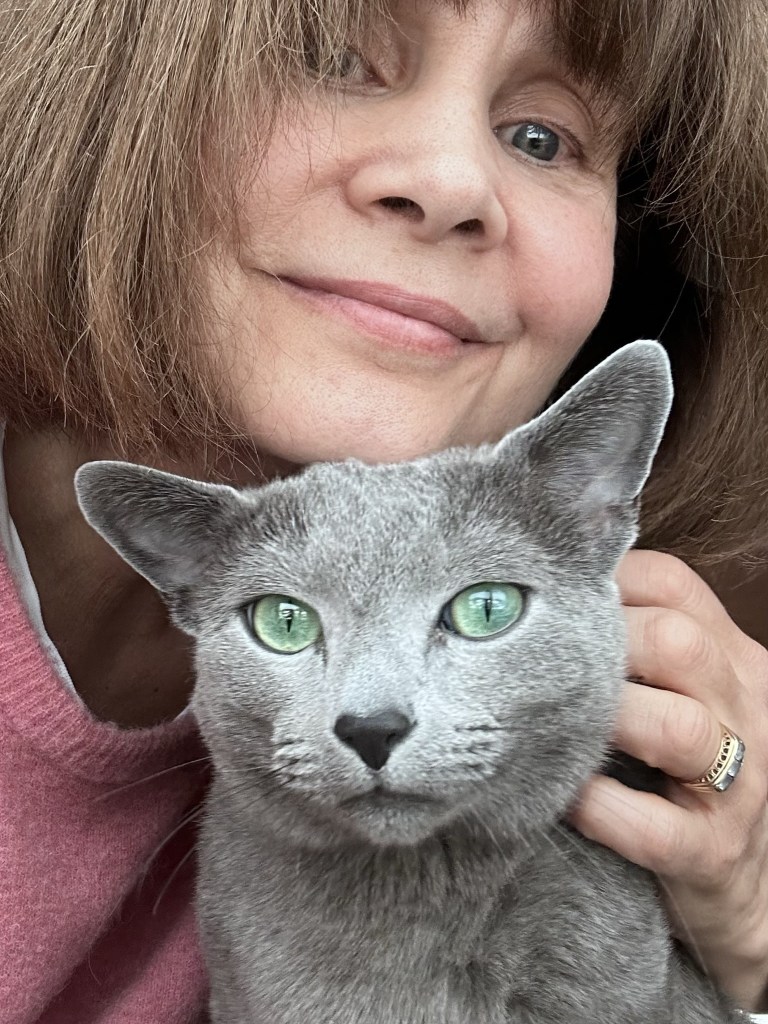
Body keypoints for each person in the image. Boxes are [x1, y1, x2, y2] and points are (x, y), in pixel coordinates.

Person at [0, 0, 767, 1021]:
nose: (450, 184)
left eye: (543, 138)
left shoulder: (566, 722)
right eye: (332, 60)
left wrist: (749, 946)